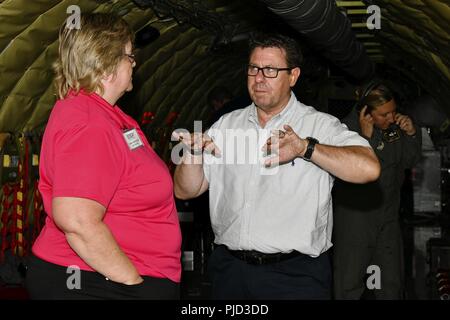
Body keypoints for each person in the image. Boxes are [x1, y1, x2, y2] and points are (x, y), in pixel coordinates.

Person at [172, 32, 381, 300]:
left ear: (293, 76)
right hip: (230, 272)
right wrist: (193, 153)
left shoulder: (318, 125)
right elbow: (185, 191)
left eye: (270, 70)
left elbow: (369, 168)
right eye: (253, 69)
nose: (259, 78)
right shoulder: (226, 125)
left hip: (295, 277)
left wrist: (305, 148)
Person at [25, 13, 181, 300]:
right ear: (107, 65)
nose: (134, 64)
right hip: (94, 283)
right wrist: (132, 283)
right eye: (129, 57)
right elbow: (78, 221)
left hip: (101, 278)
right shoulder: (90, 123)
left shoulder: (106, 115)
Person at [332, 81, 422, 299]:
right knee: (350, 283)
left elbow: (409, 160)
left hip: (387, 218)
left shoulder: (394, 130)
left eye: (393, 112)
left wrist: (411, 134)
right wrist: (365, 139)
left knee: (389, 282)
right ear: (366, 113)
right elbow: (357, 171)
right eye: (384, 114)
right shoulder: (344, 132)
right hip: (356, 221)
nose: (391, 118)